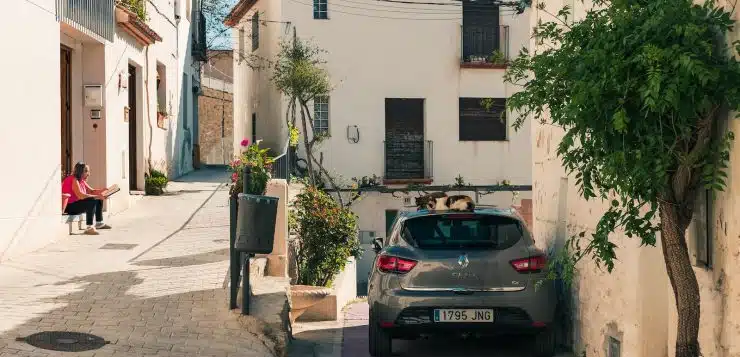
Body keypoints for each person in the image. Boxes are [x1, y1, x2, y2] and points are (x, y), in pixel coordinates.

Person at [62, 162, 112, 235]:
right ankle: (89, 227)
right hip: (69, 207)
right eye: (86, 171)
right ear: (80, 171)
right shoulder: (73, 179)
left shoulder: (81, 180)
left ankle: (99, 223)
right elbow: (81, 195)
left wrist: (104, 191)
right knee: (92, 200)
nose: (88, 174)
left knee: (97, 199)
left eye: (88, 171)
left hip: (76, 204)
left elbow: (92, 191)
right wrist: (98, 196)